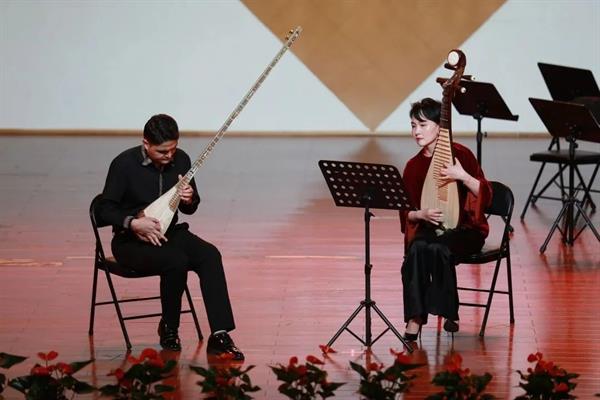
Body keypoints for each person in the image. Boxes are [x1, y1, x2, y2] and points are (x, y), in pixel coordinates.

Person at [98, 113, 243, 359]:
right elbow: (103, 209)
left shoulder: (181, 159)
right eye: (162, 151)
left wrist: (189, 198)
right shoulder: (124, 164)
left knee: (209, 255)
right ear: (146, 144)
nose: (169, 156)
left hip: (169, 232)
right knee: (176, 260)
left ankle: (219, 334)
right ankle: (169, 328)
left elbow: (190, 208)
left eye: (173, 149)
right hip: (129, 241)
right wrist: (134, 223)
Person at [399, 98, 493, 340]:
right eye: (413, 126)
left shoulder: (461, 154)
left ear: (440, 127)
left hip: (466, 229)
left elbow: (487, 196)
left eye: (423, 125)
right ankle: (414, 318)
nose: (417, 131)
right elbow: (406, 212)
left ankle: (450, 313)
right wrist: (420, 214)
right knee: (417, 249)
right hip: (430, 227)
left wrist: (463, 176)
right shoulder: (413, 166)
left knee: (439, 249)